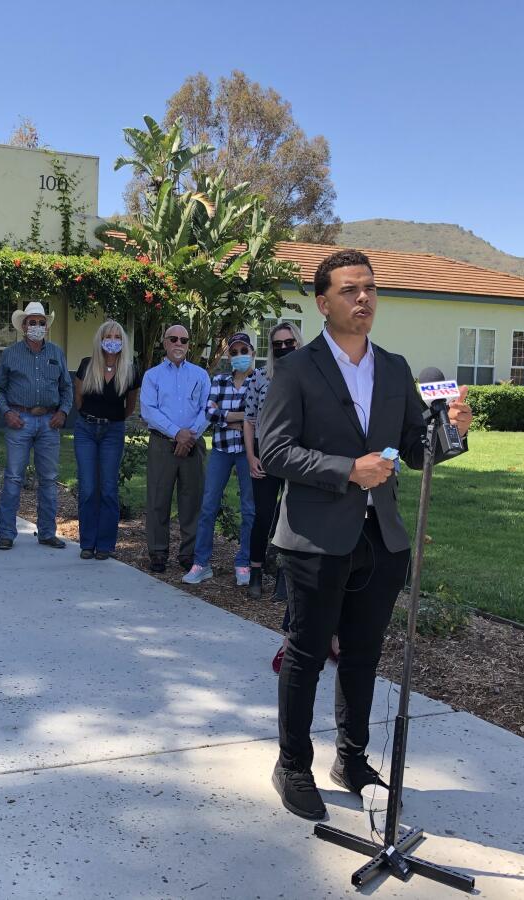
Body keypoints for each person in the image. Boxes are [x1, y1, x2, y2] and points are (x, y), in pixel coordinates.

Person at [258, 249, 472, 821]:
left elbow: (419, 449)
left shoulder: (396, 369)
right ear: (323, 302)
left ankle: (350, 760)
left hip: (381, 539)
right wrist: (346, 469)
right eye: (351, 289)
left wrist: (453, 434)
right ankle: (293, 765)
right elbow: (275, 451)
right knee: (305, 654)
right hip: (314, 538)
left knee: (362, 655)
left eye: (371, 289)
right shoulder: (296, 370)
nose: (364, 298)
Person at [0, 300, 73, 551]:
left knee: (48, 479)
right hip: (20, 420)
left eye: (41, 322)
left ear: (46, 326)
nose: (37, 326)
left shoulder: (56, 353)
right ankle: (6, 533)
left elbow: (67, 387)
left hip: (50, 422)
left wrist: (64, 412)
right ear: (23, 326)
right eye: (32, 322)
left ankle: (47, 532)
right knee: (14, 477)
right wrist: (6, 412)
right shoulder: (10, 353)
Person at [184, 333, 257, 587]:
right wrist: (242, 419)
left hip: (248, 452)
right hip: (222, 450)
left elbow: (261, 415)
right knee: (208, 506)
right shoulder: (219, 380)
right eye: (234, 352)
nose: (239, 356)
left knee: (249, 508)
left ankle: (243, 562)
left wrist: (232, 418)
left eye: (243, 350)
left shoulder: (259, 381)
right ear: (229, 356)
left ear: (253, 352)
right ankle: (201, 563)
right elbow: (210, 413)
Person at [139, 324, 211, 574]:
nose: (179, 343)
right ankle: (158, 552)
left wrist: (189, 436)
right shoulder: (152, 376)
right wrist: (176, 433)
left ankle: (188, 554)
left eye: (184, 340)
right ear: (165, 342)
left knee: (192, 500)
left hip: (193, 443)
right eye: (173, 339)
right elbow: (149, 410)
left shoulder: (201, 375)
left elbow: (207, 409)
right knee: (158, 499)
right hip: (162, 443)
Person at [243, 322, 303, 601]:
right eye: (277, 344)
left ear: (298, 342)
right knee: (263, 516)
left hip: (297, 455)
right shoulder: (259, 378)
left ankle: (285, 577)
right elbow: (249, 420)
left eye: (288, 342)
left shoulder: (310, 376)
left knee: (291, 516)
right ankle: (255, 571)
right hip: (264, 455)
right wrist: (251, 456)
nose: (283, 348)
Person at [73, 320, 140, 560]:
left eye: (117, 337)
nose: (112, 341)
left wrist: (111, 419)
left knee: (109, 489)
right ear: (100, 339)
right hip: (86, 430)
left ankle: (105, 545)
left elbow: (129, 407)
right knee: (89, 488)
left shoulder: (130, 371)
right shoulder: (87, 365)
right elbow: (79, 400)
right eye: (108, 336)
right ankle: (87, 543)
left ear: (123, 341)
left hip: (113, 431)